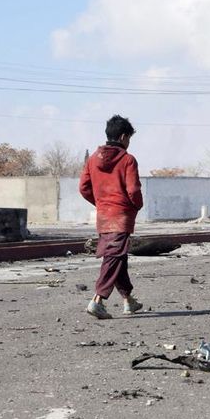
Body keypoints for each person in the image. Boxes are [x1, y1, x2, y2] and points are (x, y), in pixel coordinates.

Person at [79, 115, 144, 319]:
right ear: (124, 137)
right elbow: (133, 190)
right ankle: (97, 300)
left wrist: (101, 203)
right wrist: (135, 206)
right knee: (113, 259)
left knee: (118, 257)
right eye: (129, 139)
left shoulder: (92, 159)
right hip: (121, 216)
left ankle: (128, 301)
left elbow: (83, 188)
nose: (128, 143)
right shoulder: (127, 160)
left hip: (104, 217)